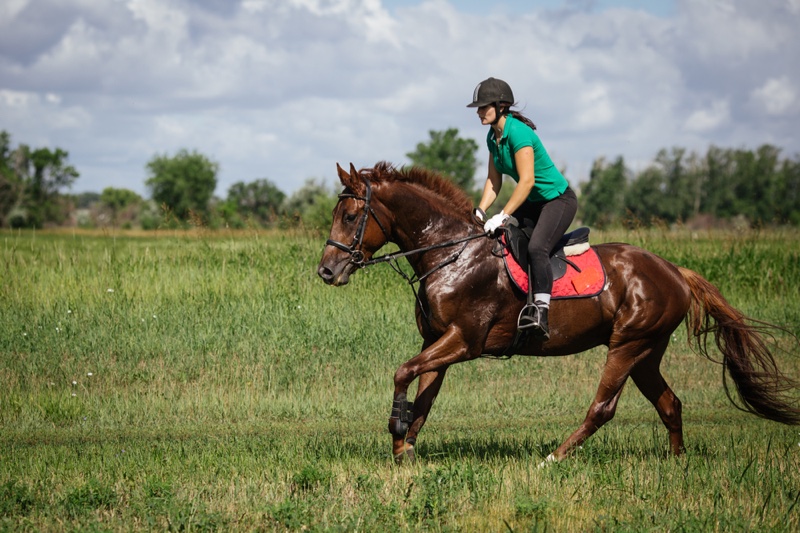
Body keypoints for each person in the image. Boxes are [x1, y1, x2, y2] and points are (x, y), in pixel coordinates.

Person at [467, 77, 577, 339]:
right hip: (532, 203)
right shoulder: (492, 138)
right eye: (479, 108)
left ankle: (540, 312)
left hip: (557, 201)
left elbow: (527, 182)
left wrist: (503, 215)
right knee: (499, 239)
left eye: (484, 107)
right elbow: (494, 181)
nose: (480, 112)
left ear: (501, 106)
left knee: (537, 247)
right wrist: (481, 211)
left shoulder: (519, 133)